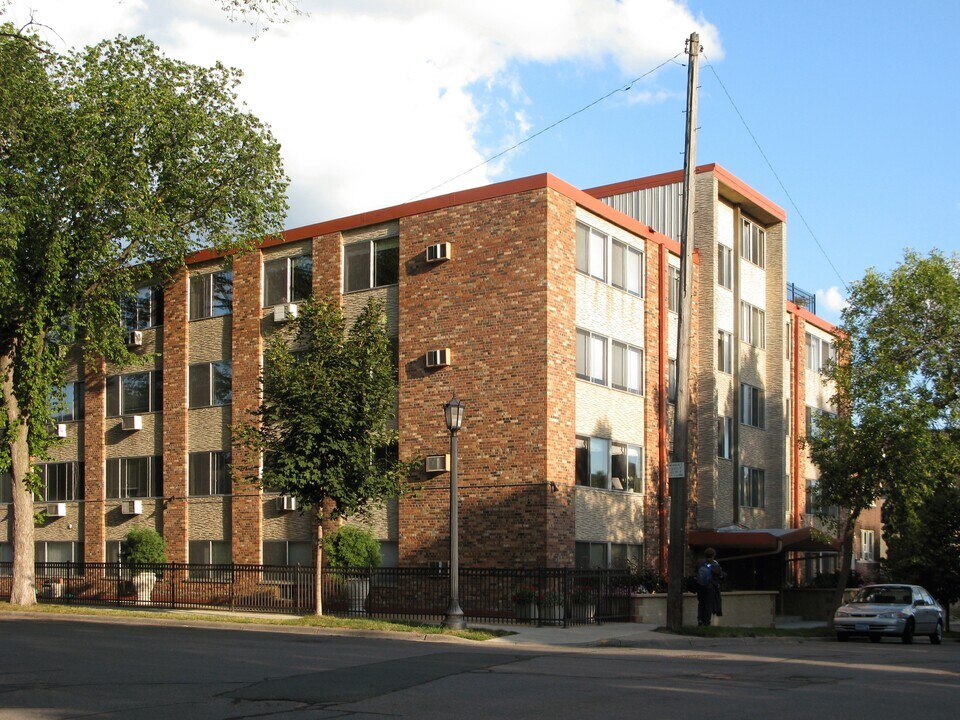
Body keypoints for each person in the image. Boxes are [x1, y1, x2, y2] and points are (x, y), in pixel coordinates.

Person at [696, 547, 724, 626]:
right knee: (709, 604)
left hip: (700, 587)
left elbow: (696, 572)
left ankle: (700, 619)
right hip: (710, 587)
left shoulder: (700, 563)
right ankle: (706, 622)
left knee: (701, 603)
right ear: (713, 555)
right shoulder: (715, 564)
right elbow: (720, 574)